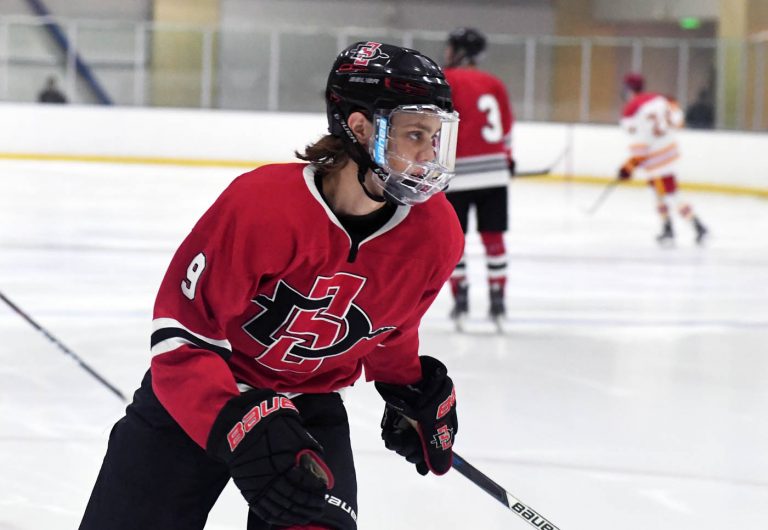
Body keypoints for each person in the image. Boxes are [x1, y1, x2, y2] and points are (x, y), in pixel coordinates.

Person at [79, 41, 463, 530]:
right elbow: (182, 334)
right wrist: (236, 422)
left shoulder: (436, 232)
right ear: (361, 127)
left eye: (436, 137)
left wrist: (410, 391)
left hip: (309, 409)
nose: (430, 155)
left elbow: (390, 328)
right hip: (201, 396)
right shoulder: (263, 206)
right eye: (414, 134)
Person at [441, 27, 515, 330]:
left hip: (458, 176)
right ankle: (498, 297)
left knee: (455, 243)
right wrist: (506, 160)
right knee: (494, 239)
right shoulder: (494, 82)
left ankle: (461, 296)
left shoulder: (447, 79)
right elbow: (507, 128)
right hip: (495, 172)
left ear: (460, 51)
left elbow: (441, 125)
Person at [618, 72, 708, 246]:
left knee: (671, 194)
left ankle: (697, 225)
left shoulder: (631, 110)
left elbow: (640, 146)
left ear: (629, 89)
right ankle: (668, 228)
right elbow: (678, 119)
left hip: (657, 162)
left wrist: (628, 167)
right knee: (658, 194)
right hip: (669, 154)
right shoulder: (659, 99)